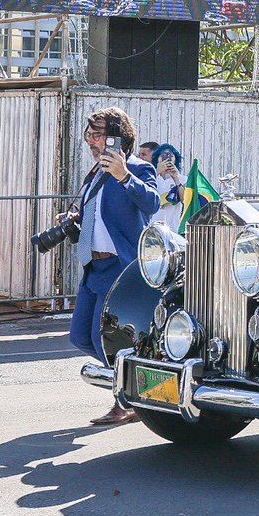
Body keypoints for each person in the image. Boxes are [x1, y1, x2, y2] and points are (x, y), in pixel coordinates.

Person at [69, 108, 158, 426]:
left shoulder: (137, 168)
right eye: (89, 134)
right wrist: (74, 220)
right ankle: (139, 381)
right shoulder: (94, 174)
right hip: (93, 266)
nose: (91, 141)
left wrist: (124, 176)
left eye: (98, 135)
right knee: (80, 337)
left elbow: (152, 203)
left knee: (102, 339)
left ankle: (126, 402)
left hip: (120, 269)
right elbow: (92, 213)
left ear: (117, 138)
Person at [150, 143, 184, 231]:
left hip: (173, 226)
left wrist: (176, 178)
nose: (166, 159)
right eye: (162, 156)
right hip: (152, 225)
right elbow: (142, 191)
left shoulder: (182, 179)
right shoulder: (151, 176)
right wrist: (157, 171)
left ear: (175, 160)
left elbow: (185, 200)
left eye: (170, 156)